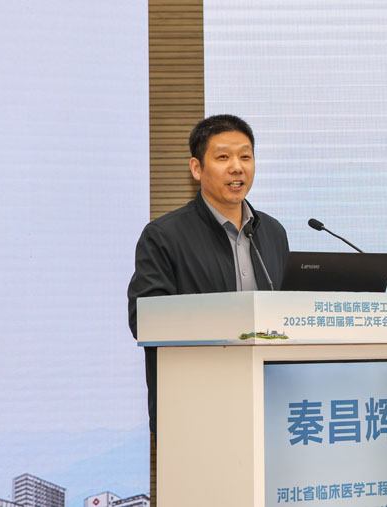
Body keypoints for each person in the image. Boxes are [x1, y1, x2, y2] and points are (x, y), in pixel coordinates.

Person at [127, 114, 289, 433]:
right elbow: (143, 319)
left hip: (269, 405)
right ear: (196, 168)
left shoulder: (272, 232)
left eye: (245, 157)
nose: (237, 167)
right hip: (194, 408)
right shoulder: (164, 236)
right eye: (223, 157)